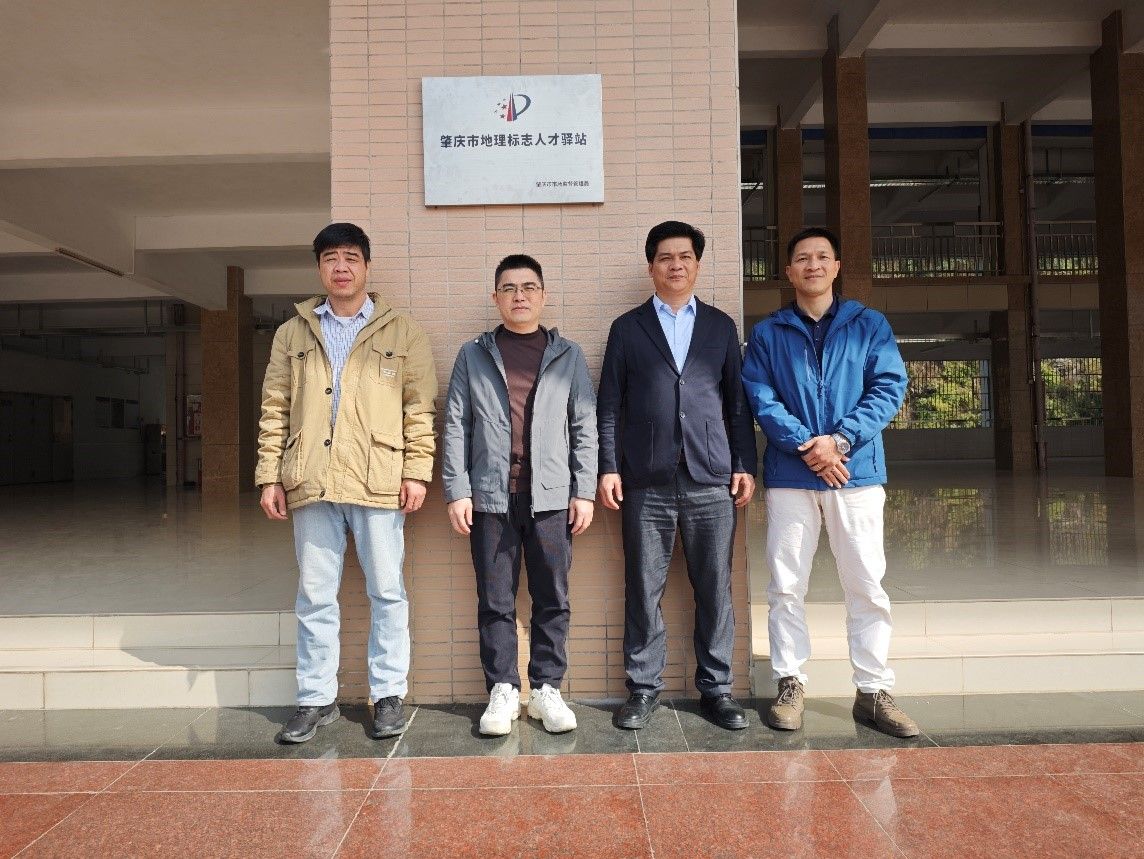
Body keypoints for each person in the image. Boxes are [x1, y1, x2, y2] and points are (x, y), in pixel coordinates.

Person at [255, 222, 437, 744]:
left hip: (378, 479)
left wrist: (415, 471)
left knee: (387, 592)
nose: (341, 267)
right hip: (310, 479)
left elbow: (419, 407)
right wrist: (269, 475)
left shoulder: (402, 330)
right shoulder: (292, 333)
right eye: (331, 258)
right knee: (315, 596)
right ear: (319, 268)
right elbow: (275, 408)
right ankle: (316, 699)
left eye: (351, 257)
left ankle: (388, 695)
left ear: (366, 266)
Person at [741, 226, 919, 738]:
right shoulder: (769, 333)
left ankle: (873, 689)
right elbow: (760, 396)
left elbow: (889, 386)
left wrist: (839, 441)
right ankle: (790, 682)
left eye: (822, 256)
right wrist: (810, 447)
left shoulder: (869, 324)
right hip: (791, 476)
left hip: (855, 473)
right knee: (785, 585)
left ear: (837, 267)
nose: (813, 265)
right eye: (803, 258)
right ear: (789, 271)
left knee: (865, 583)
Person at [597, 220, 757, 731]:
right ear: (651, 268)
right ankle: (643, 688)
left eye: (685, 256)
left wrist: (743, 463)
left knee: (714, 587)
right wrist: (608, 467)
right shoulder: (627, 328)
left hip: (711, 477)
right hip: (646, 479)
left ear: (698, 265)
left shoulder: (720, 325)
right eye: (665, 257)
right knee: (643, 587)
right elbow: (609, 405)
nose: (676, 265)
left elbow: (737, 403)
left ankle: (717, 689)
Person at [443, 254, 597, 736]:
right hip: (491, 498)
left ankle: (547, 688)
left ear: (543, 295)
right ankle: (503, 690)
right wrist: (457, 489)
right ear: (496, 298)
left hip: (551, 498)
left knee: (553, 597)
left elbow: (584, 425)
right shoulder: (473, 354)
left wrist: (584, 491)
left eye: (529, 287)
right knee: (495, 600)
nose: (519, 296)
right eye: (509, 288)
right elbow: (456, 423)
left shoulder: (567, 354)